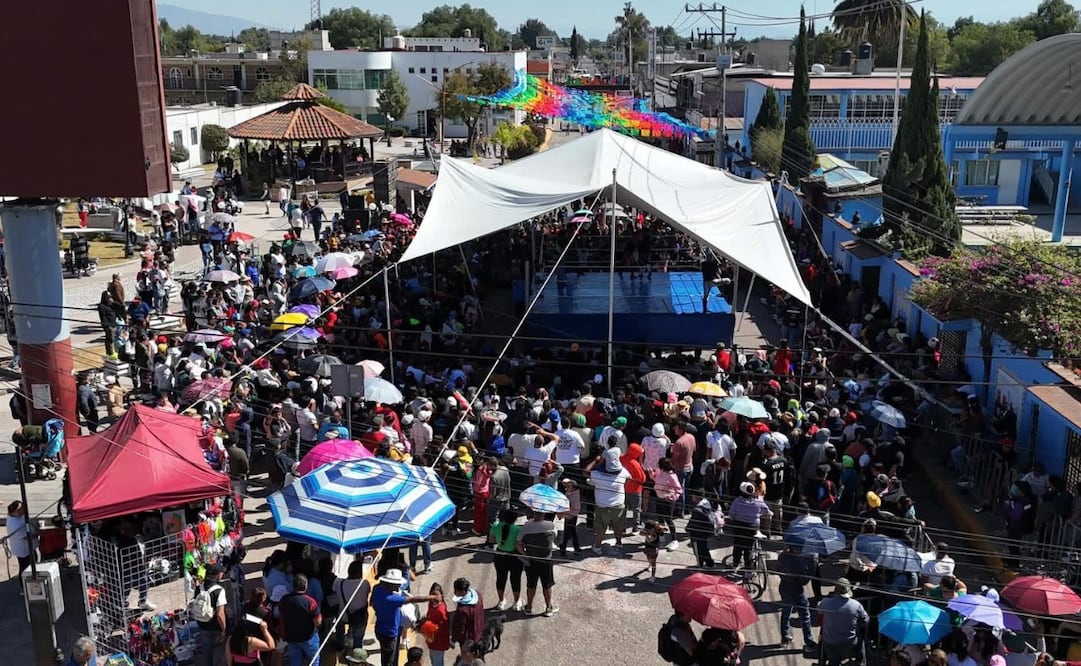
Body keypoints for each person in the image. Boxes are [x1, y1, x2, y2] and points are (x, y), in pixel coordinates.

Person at [370, 569, 436, 666]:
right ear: (389, 583)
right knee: (389, 660)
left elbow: (371, 603)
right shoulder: (392, 599)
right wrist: (432, 598)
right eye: (396, 584)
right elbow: (412, 599)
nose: (398, 586)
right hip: (390, 633)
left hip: (380, 629)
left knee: (385, 656)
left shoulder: (377, 589)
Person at [817, 578, 869, 666]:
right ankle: (861, 663)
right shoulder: (856, 605)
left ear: (835, 590)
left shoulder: (826, 603)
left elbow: (819, 610)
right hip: (850, 642)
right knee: (860, 640)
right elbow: (866, 620)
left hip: (830, 643)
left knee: (832, 659)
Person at [776, 542, 818, 649]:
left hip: (784, 587)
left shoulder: (782, 556)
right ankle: (809, 641)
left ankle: (785, 636)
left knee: (786, 612)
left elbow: (778, 570)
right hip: (797, 591)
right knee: (805, 616)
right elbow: (803, 581)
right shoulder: (800, 561)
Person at [517, 510, 558, 616]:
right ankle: (548, 607)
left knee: (531, 585)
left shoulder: (526, 526)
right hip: (546, 560)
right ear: (544, 514)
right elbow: (554, 537)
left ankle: (529, 607)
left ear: (533, 514)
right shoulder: (550, 525)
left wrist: (525, 554)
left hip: (531, 560)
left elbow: (518, 543)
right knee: (547, 585)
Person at [278, 574, 322, 666]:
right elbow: (318, 622)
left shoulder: (284, 600)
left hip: (291, 637)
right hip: (308, 638)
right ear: (305, 586)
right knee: (314, 660)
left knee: (294, 661)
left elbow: (282, 615)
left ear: (293, 586)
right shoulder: (310, 602)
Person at [488, 508, 524, 611]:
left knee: (500, 578)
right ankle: (517, 602)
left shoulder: (495, 526)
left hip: (499, 555)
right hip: (514, 558)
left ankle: (501, 601)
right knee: (515, 580)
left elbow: (491, 540)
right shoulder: (517, 530)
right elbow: (518, 545)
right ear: (515, 519)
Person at [334, 560, 372, 652]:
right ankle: (356, 654)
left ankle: (340, 644)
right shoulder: (365, 583)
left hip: (343, 616)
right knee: (358, 639)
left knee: (339, 625)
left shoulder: (339, 583)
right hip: (360, 617)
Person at [196, 564, 229, 666]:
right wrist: (224, 630)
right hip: (215, 626)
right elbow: (220, 614)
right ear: (217, 575)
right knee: (224, 649)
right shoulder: (219, 590)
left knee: (207, 650)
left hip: (202, 623)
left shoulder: (199, 587)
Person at [421, 582, 451, 666]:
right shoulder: (431, 604)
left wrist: (429, 626)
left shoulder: (441, 611)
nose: (434, 598)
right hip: (432, 640)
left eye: (436, 595)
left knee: (437, 663)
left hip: (439, 642)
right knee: (433, 660)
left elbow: (444, 628)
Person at [450, 578, 485, 648]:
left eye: (456, 590)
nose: (454, 592)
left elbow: (460, 628)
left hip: (468, 640)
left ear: (463, 592)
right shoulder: (478, 594)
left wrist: (453, 640)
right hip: (479, 631)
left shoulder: (463, 610)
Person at [6, 500, 34, 577]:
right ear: (13, 512)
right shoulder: (14, 525)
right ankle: (23, 584)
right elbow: (25, 536)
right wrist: (38, 533)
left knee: (33, 561)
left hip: (27, 548)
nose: (22, 511)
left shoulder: (16, 515)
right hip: (23, 550)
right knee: (24, 567)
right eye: (19, 510)